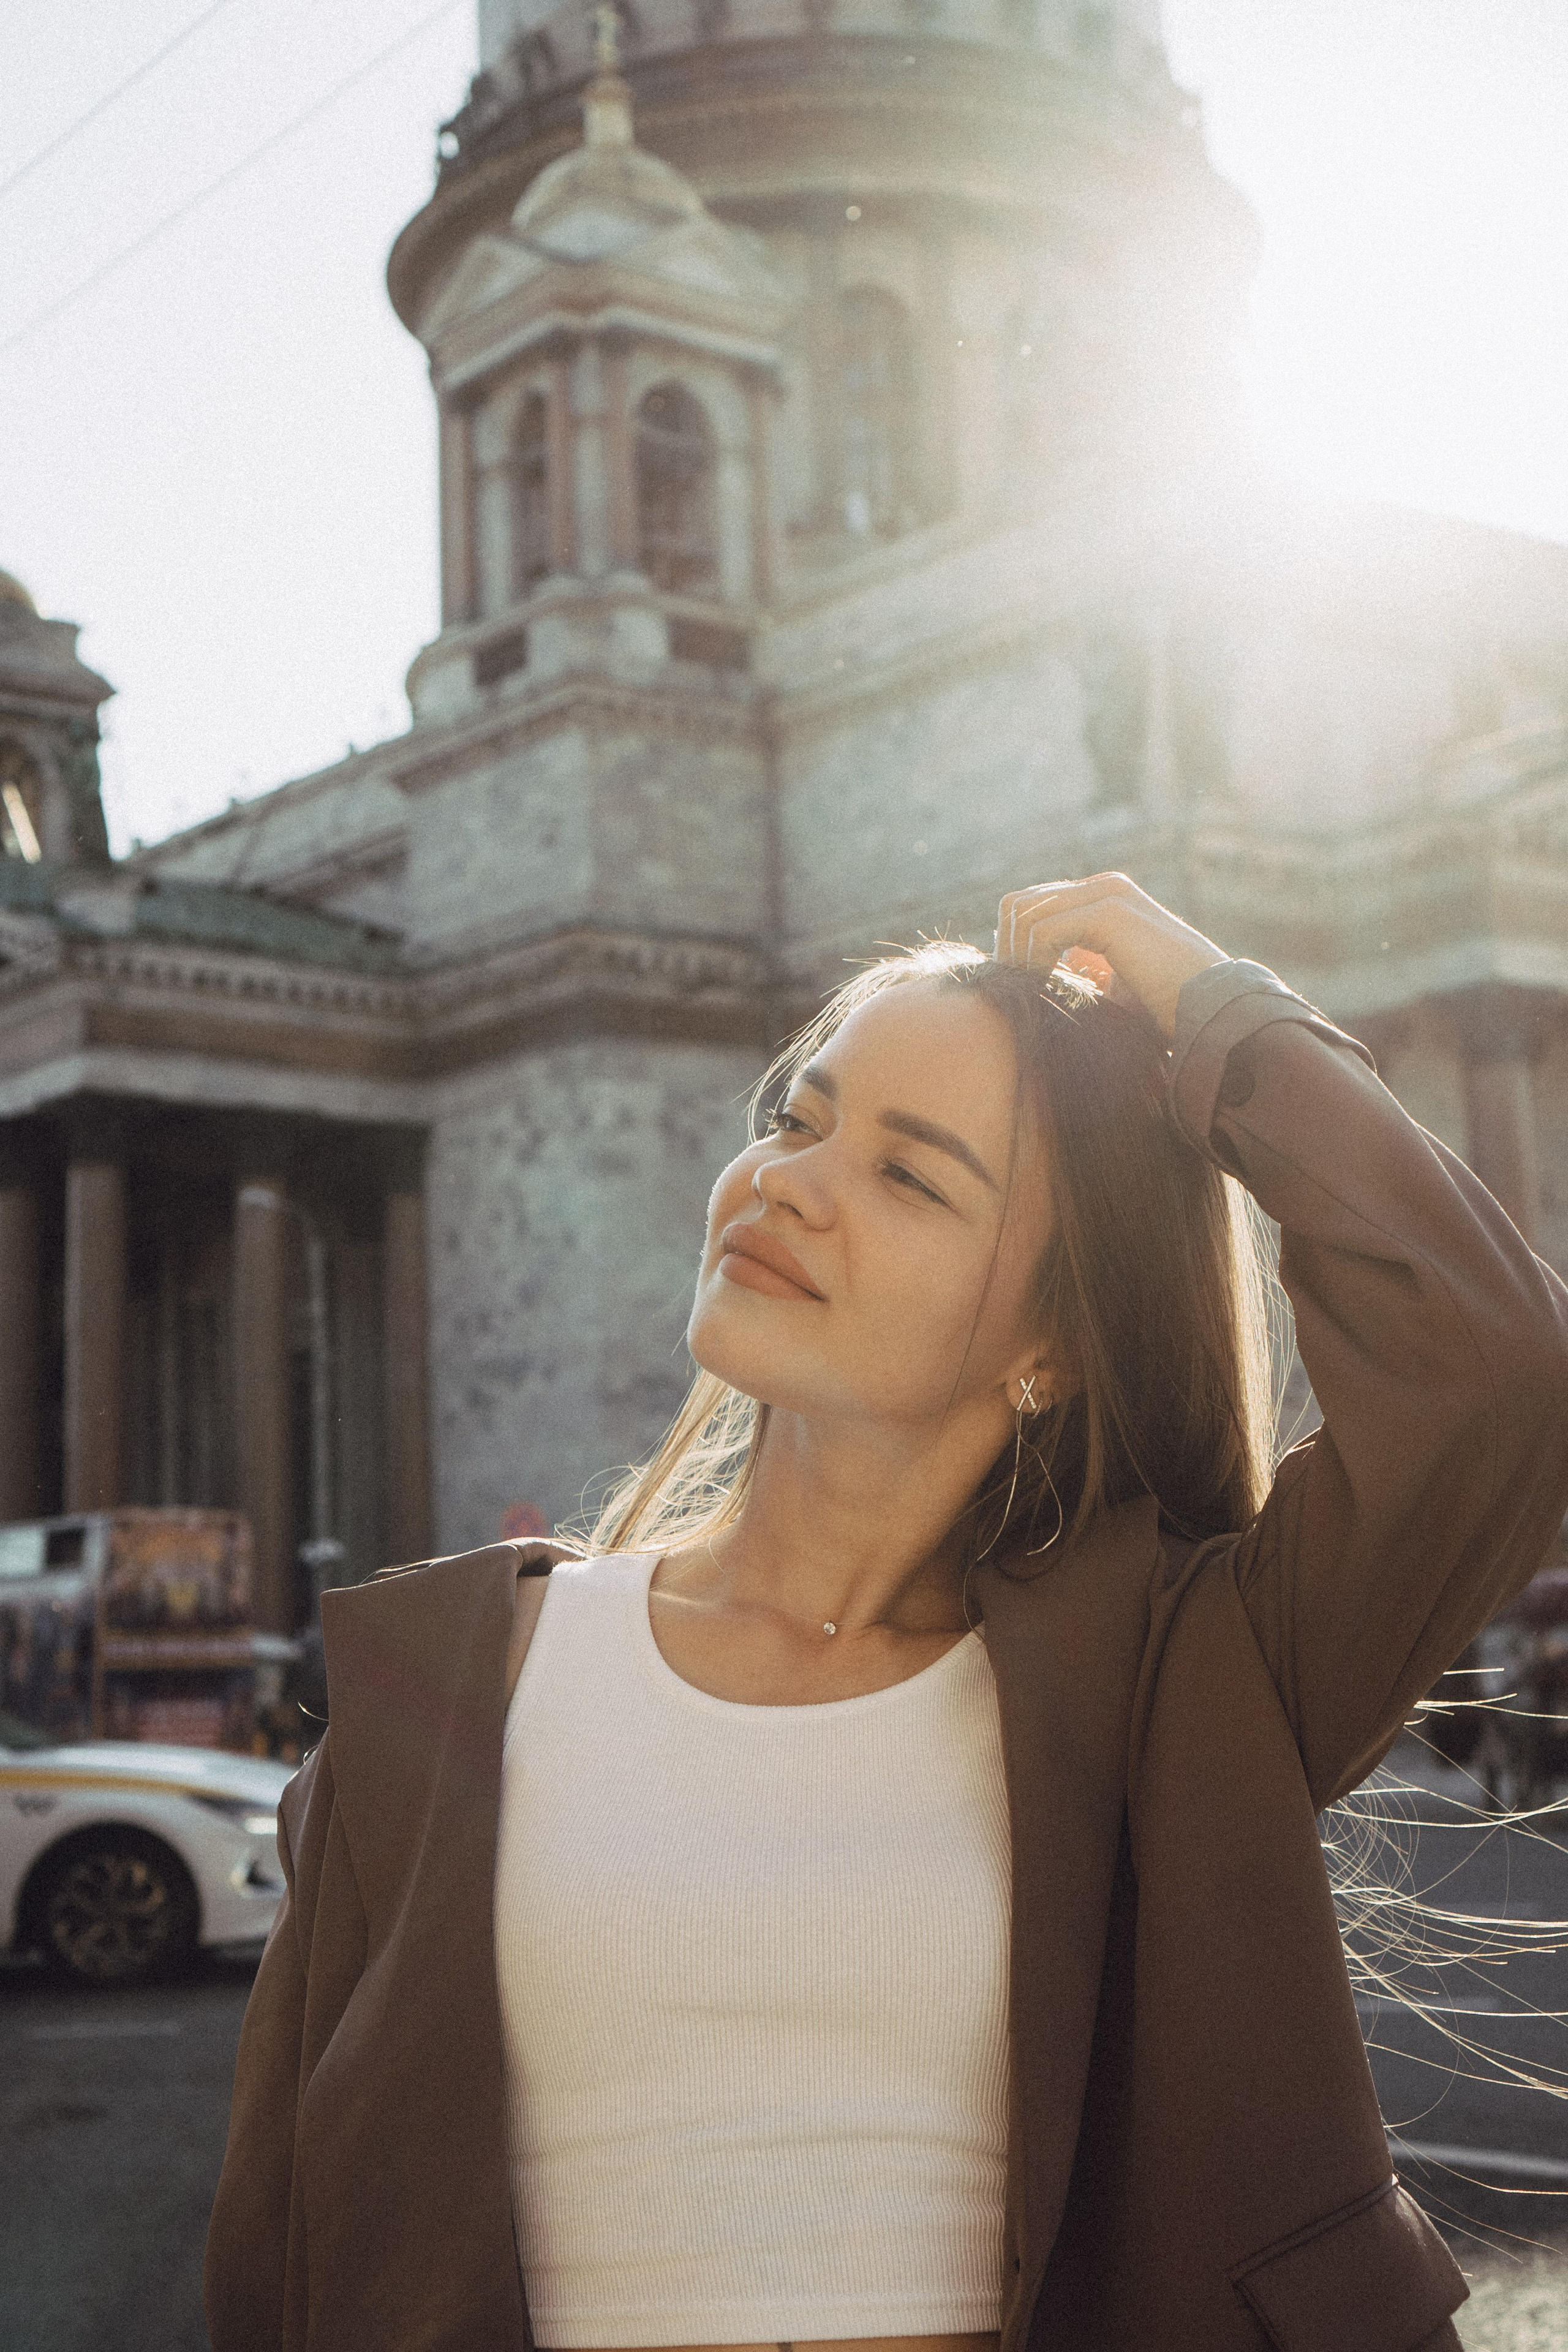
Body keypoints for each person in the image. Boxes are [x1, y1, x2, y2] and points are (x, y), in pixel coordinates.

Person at [205, 875, 1568, 2352]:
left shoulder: (1184, 1680)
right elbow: (277, 2254)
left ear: (1048, 1340)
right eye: (798, 1119)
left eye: (910, 1176)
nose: (785, 1181)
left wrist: (1214, 1014)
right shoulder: (447, 1685)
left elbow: (1489, 1371)